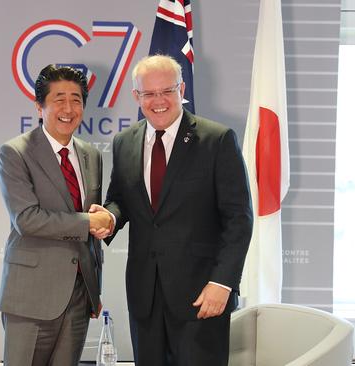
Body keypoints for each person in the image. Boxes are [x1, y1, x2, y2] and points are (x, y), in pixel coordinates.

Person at [102, 55, 253, 365]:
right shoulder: (124, 142)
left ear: (182, 89)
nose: (159, 101)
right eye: (149, 93)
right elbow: (120, 199)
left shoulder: (217, 139)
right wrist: (109, 217)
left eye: (167, 91)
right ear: (137, 97)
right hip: (145, 295)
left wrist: (222, 282)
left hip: (202, 295)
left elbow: (238, 219)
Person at [0, 64, 113, 366]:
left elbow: (91, 223)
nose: (68, 108)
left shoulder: (91, 154)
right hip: (30, 296)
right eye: (58, 99)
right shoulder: (15, 152)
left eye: (76, 99)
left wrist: (93, 286)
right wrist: (88, 223)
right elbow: (27, 219)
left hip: (78, 296)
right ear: (39, 106)